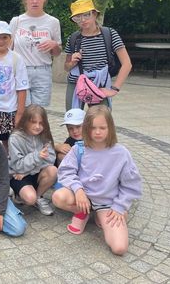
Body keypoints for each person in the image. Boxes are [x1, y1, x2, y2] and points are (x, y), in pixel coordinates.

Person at [52, 105, 142, 255]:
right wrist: (78, 190)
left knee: (119, 248)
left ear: (110, 128)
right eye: (93, 128)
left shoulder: (121, 153)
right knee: (58, 196)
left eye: (102, 127)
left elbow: (131, 185)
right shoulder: (79, 149)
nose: (98, 132)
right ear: (87, 128)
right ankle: (84, 212)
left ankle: (100, 215)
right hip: (83, 197)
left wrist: (119, 206)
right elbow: (66, 171)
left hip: (107, 203)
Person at [64, 0, 132, 110]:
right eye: (77, 17)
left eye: (86, 15)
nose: (83, 20)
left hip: (100, 83)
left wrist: (115, 89)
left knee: (100, 118)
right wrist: (72, 62)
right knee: (73, 119)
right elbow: (66, 67)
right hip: (76, 83)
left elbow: (127, 64)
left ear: (94, 14)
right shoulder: (73, 38)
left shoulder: (109, 34)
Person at [9, 0, 62, 107]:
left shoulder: (53, 22)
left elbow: (57, 52)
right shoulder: (16, 21)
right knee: (21, 109)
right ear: (25, 0)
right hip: (21, 70)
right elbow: (8, 49)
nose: (35, 1)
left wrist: (54, 45)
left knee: (39, 112)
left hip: (43, 71)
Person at [8, 104, 57, 215]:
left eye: (41, 123)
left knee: (53, 170)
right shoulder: (15, 138)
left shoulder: (44, 135)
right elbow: (17, 166)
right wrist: (37, 156)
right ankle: (18, 193)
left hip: (27, 173)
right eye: (33, 122)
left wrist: (28, 172)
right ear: (25, 121)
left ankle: (38, 197)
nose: (37, 126)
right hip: (18, 176)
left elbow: (50, 160)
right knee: (30, 198)